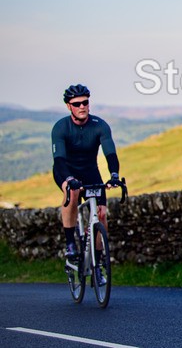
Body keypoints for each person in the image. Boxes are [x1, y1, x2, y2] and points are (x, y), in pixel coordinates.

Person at [52, 84, 122, 283]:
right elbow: (59, 160)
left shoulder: (100, 125)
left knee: (102, 214)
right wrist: (69, 179)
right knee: (72, 193)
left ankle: (97, 266)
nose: (82, 106)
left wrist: (114, 175)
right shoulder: (61, 127)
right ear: (69, 106)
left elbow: (110, 153)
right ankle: (70, 244)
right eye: (77, 104)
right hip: (66, 170)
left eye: (85, 102)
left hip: (90, 173)